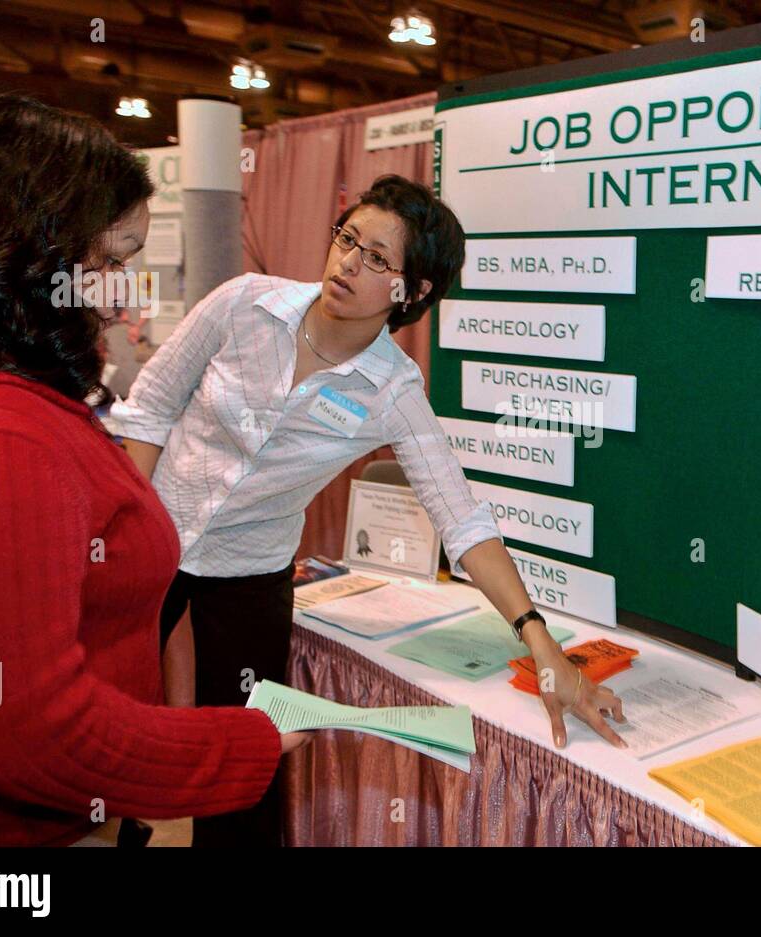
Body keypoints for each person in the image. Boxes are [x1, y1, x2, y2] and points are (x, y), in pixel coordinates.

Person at [111, 175, 628, 846]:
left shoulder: (392, 391)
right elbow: (149, 408)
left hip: (250, 574)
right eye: (348, 238)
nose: (349, 261)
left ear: (411, 293)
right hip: (150, 539)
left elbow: (461, 517)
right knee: (110, 730)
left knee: (245, 770)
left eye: (378, 258)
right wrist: (126, 535)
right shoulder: (243, 304)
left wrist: (540, 640)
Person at [0, 94, 306, 846]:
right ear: (20, 246)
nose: (125, 295)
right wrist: (238, 746)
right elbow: (24, 731)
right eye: (112, 261)